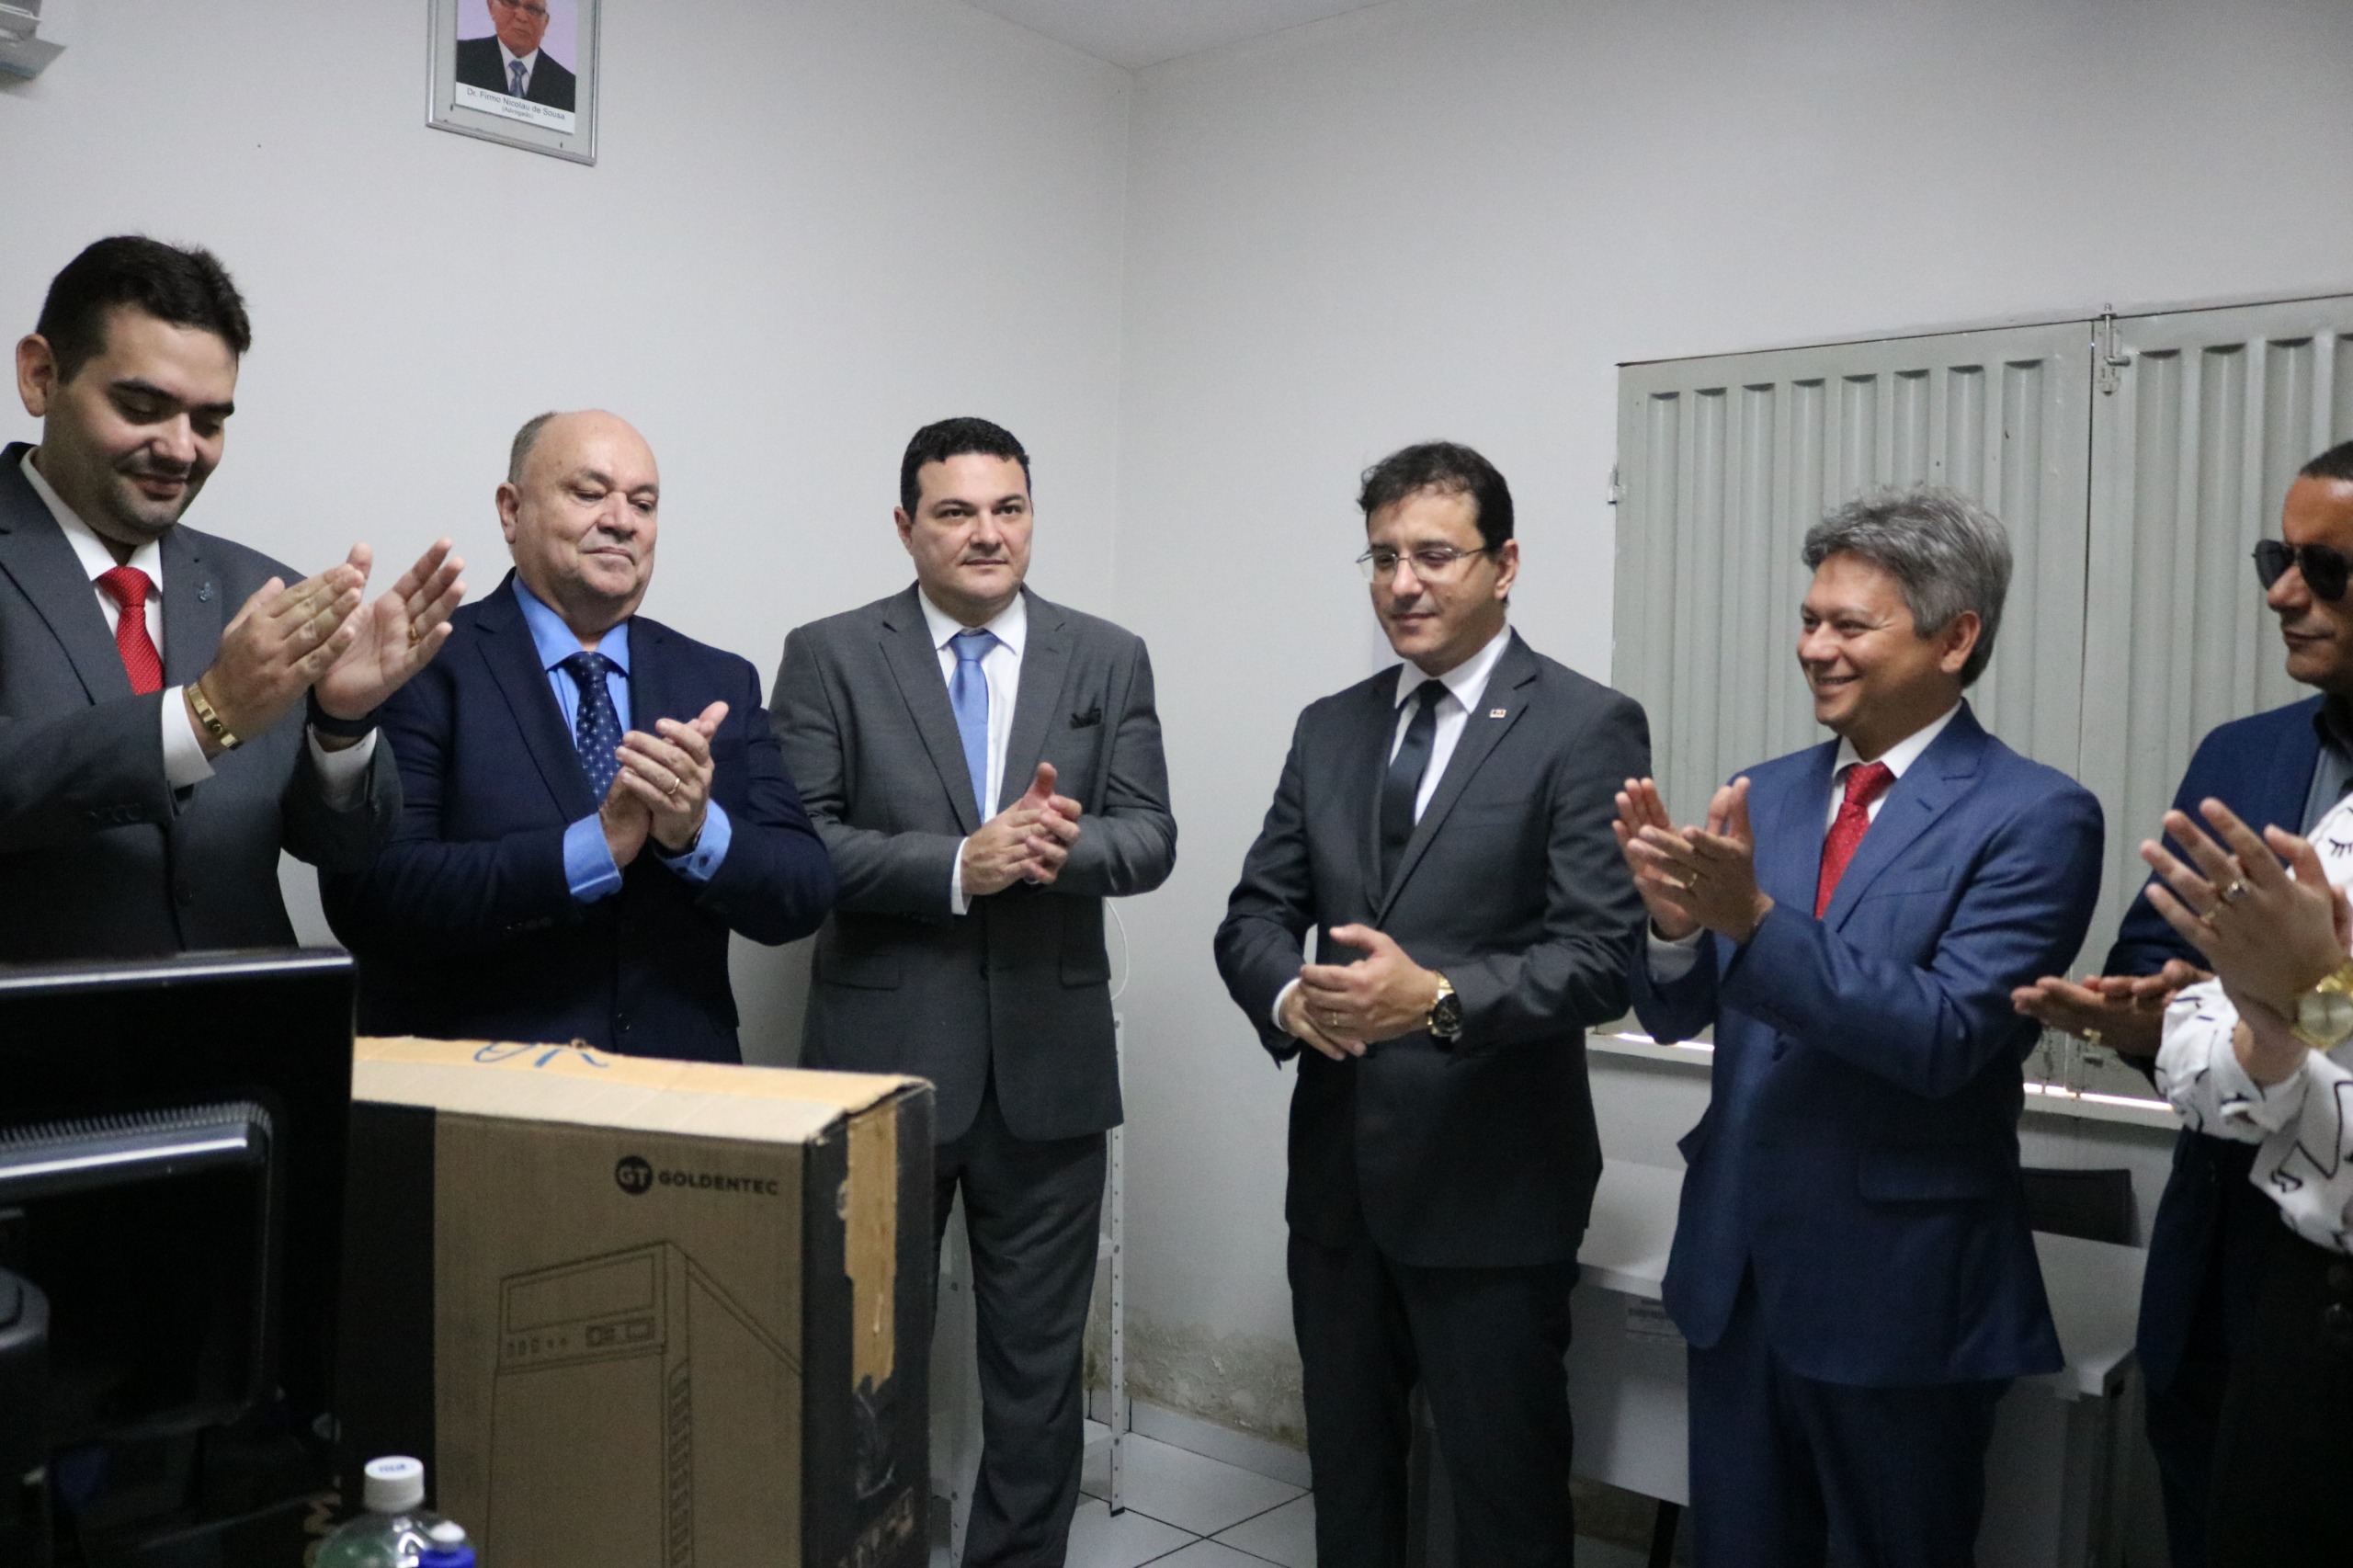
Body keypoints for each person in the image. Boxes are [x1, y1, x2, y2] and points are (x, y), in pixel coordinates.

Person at [1620, 486, 2103, 1566]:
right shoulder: (1766, 792)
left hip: (1901, 1291)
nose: (1814, 648)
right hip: (1735, 1272)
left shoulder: (2034, 815)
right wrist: (1671, 929)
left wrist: (1751, 918)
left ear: (1954, 637)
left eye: (1848, 624)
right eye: (1808, 619)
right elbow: (1672, 1011)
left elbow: (1946, 1036)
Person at [1214, 442, 1648, 1567]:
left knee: (1502, 1497)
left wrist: (1436, 997)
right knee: (1352, 1484)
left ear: (1504, 563)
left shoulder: (1584, 724)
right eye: (1383, 557)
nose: (1403, 582)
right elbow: (1254, 913)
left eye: (1434, 555)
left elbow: (1601, 958)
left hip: (1493, 1184)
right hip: (1338, 1182)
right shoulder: (1331, 725)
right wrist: (1287, 996)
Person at [771, 416, 1174, 1567]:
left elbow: (1150, 834)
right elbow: (798, 846)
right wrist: (957, 863)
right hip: (880, 1075)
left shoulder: (1107, 656)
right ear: (907, 526)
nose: (986, 533)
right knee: (864, 1366)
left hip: (1050, 1076)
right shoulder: (830, 653)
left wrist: (1062, 844)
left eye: (1008, 508)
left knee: (1037, 1376)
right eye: (955, 511)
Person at [2011, 439, 2353, 1567]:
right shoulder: (2244, 755)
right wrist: (2144, 1013)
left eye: (2325, 568)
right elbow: (2163, 966)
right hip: (2223, 1248)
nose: (2281, 593)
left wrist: (2300, 996)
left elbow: (2312, 1012)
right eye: (2275, 558)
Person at [1, 235, 461, 960]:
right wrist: (203, 715)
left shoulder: (261, 593)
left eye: (209, 422)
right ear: (40, 376)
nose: (182, 449)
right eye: (142, 406)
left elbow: (344, 848)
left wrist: (341, 726)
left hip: (244, 1030)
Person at [322, 410, 834, 1061]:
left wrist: (696, 833)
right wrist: (593, 848)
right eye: (590, 493)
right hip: (480, 1083)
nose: (622, 520)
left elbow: (804, 891)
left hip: (680, 1085)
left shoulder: (718, 679)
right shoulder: (420, 663)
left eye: (643, 504)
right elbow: (372, 896)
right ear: (511, 511)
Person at [2140, 796, 2353, 1563]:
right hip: (2303, 1314)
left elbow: (2328, 1001)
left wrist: (2322, 998)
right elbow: (2201, 1047)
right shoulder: (2345, 825)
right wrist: (2278, 1029)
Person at [454, 0, 577, 112]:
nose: (522, 17)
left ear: (545, 22)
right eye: (511, 3)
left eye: (533, 9)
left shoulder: (569, 89)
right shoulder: (457, 57)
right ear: (491, 6)